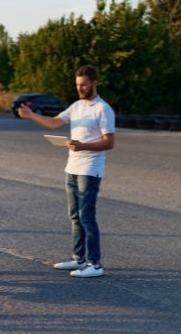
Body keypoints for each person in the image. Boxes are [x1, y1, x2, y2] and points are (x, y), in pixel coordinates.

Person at [18, 65, 115, 278]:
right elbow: (54, 123)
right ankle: (78, 259)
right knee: (74, 216)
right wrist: (31, 115)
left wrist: (83, 146)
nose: (80, 89)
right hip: (72, 167)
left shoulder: (103, 109)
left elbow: (109, 142)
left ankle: (95, 264)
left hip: (90, 169)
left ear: (94, 83)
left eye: (84, 85)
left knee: (86, 216)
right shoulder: (77, 106)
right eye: (78, 85)